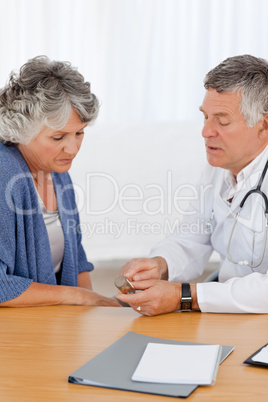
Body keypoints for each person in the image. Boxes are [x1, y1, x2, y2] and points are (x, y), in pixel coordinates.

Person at [117, 54, 268, 315]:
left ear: (264, 126)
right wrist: (160, 265)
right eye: (205, 117)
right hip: (231, 317)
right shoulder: (218, 169)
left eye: (221, 120)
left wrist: (184, 296)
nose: (206, 131)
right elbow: (191, 238)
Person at [0, 55, 120, 307]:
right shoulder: (5, 173)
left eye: (79, 133)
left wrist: (99, 307)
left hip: (51, 321)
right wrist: (77, 297)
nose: (73, 148)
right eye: (58, 138)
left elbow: (75, 255)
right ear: (22, 130)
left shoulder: (57, 172)